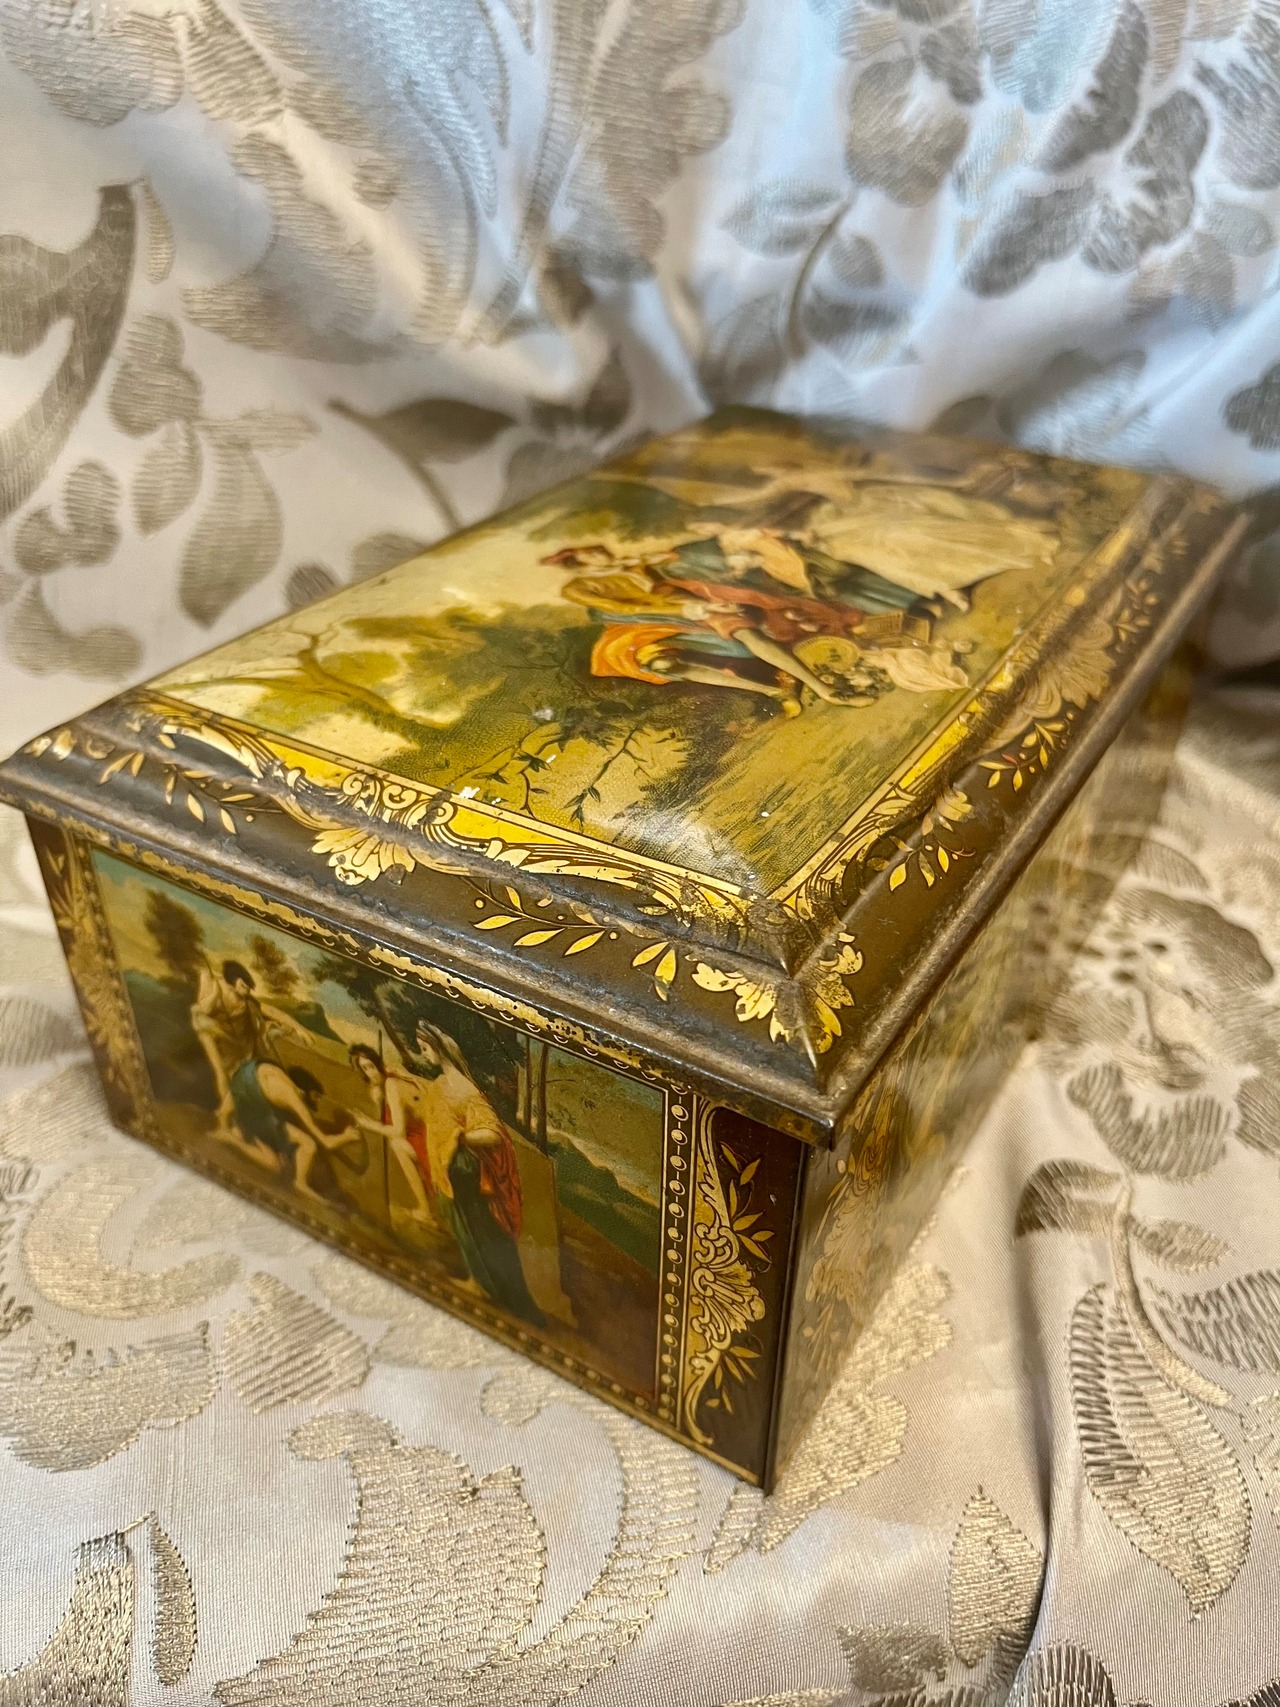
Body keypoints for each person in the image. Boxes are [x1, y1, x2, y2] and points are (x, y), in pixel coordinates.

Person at [411, 1020, 544, 1327]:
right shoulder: (441, 1083)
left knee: (482, 1231)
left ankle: (503, 1294)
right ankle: (477, 1281)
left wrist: (460, 1137)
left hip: (465, 1171)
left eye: (425, 1049)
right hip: (450, 1170)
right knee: (464, 1229)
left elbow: (492, 1134)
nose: (423, 1054)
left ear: (439, 1048)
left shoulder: (463, 1088)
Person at [348, 1043, 435, 1228]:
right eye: (365, 1069)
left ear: (378, 1064)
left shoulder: (392, 1084)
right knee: (397, 1143)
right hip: (424, 1134)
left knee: (397, 1144)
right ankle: (425, 1211)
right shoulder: (387, 1082)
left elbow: (397, 1131)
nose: (370, 1073)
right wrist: (377, 1099)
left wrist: (367, 1124)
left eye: (371, 1066)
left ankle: (425, 1211)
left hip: (432, 1138)